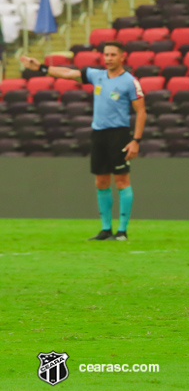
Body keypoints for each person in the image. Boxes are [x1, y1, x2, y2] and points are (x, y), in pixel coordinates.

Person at [20, 41, 146, 241]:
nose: (109, 58)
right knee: (101, 181)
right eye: (106, 55)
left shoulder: (129, 81)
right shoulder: (97, 75)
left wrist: (136, 140)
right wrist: (42, 68)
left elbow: (141, 111)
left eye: (113, 55)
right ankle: (106, 229)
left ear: (122, 57)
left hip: (119, 135)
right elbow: (68, 73)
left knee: (122, 180)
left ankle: (122, 231)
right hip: (99, 134)